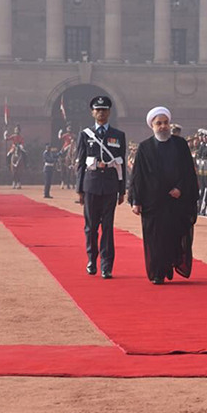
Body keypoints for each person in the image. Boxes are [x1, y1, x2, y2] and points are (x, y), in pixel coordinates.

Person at [130, 106, 199, 285]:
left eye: (165, 123)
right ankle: (157, 273)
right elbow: (138, 175)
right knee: (155, 239)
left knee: (174, 236)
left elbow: (188, 172)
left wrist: (180, 189)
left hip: (176, 201)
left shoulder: (180, 144)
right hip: (153, 202)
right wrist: (136, 200)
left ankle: (170, 265)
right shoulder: (145, 148)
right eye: (158, 123)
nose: (163, 126)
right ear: (152, 126)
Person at [76, 96, 127, 279]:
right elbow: (80, 163)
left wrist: (122, 189)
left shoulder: (118, 135)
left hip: (111, 186)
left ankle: (106, 265)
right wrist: (79, 189)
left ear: (109, 112)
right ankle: (91, 259)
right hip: (91, 185)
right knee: (90, 227)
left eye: (104, 109)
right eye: (98, 110)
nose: (101, 113)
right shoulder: (85, 135)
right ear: (92, 112)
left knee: (107, 227)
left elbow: (121, 165)